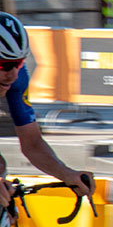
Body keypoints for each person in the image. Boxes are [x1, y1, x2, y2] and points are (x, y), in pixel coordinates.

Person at [0, 13, 92, 208]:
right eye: (5, 65)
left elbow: (32, 143)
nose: (13, 74)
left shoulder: (17, 79)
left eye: (19, 63)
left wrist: (66, 173)